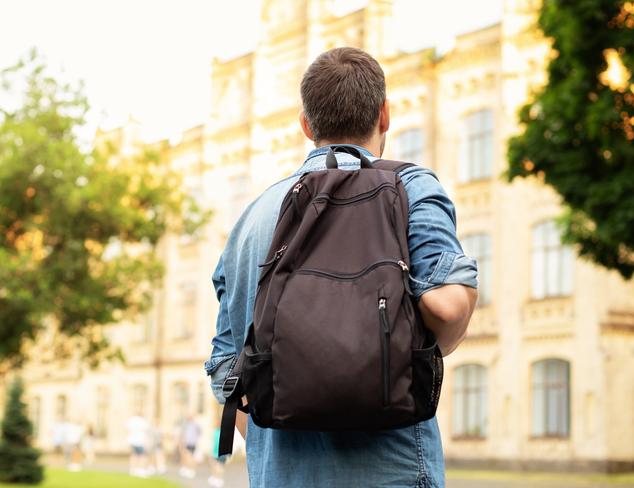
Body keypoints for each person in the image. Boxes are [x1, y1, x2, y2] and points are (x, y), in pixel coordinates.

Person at [205, 47, 478, 487]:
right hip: (394, 470)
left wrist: (287, 422)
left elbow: (225, 370)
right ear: (385, 116)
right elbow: (446, 307)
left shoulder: (251, 220)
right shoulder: (408, 186)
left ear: (306, 125)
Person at [126, 413, 150, 477]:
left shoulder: (131, 420)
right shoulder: (143, 421)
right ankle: (141, 469)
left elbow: (127, 429)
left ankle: (132, 469)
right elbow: (146, 431)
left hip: (132, 441)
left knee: (134, 455)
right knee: (142, 456)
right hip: (140, 441)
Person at [178, 414, 201, 479]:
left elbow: (198, 433)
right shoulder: (191, 425)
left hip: (190, 444)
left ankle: (191, 470)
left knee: (189, 457)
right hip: (190, 443)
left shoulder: (192, 425)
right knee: (189, 457)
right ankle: (189, 469)